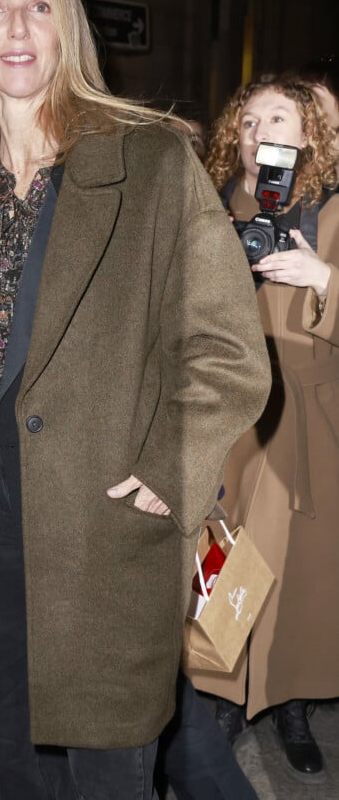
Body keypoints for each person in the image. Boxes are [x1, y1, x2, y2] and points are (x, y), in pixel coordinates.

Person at [0, 0, 270, 799]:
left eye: (38, 6)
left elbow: (226, 349)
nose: (17, 29)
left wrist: (169, 463)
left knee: (106, 778)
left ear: (67, 28)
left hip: (97, 531)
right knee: (18, 768)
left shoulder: (149, 159)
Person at [194, 76, 339, 781]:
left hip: (309, 422)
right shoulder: (219, 207)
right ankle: (223, 696)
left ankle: (289, 703)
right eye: (247, 121)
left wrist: (325, 279)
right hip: (231, 417)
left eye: (277, 118)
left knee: (295, 574)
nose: (258, 131)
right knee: (223, 562)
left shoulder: (333, 213)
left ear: (309, 133)